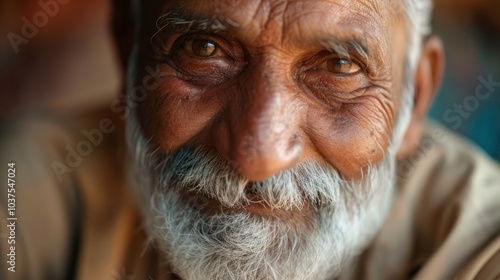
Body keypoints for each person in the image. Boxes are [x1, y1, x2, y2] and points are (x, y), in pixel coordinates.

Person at [1, 0, 499, 279]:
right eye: (205, 48)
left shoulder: (478, 244)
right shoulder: (25, 190)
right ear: (128, 47)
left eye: (339, 66)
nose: (256, 155)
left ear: (414, 98)